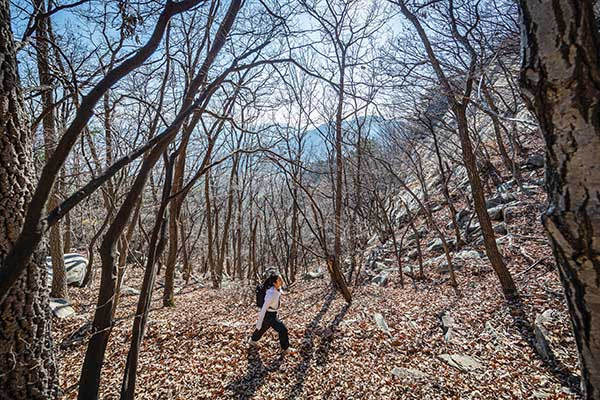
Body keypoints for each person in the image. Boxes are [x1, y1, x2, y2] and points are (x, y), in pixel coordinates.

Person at [249, 271, 295, 354]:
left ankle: (252, 340)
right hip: (269, 315)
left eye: (281, 279)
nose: (281, 281)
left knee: (262, 329)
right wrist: (259, 321)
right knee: (283, 330)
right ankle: (286, 349)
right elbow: (264, 308)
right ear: (274, 283)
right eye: (279, 280)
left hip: (272, 314)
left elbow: (280, 291)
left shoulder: (277, 288)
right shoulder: (271, 293)